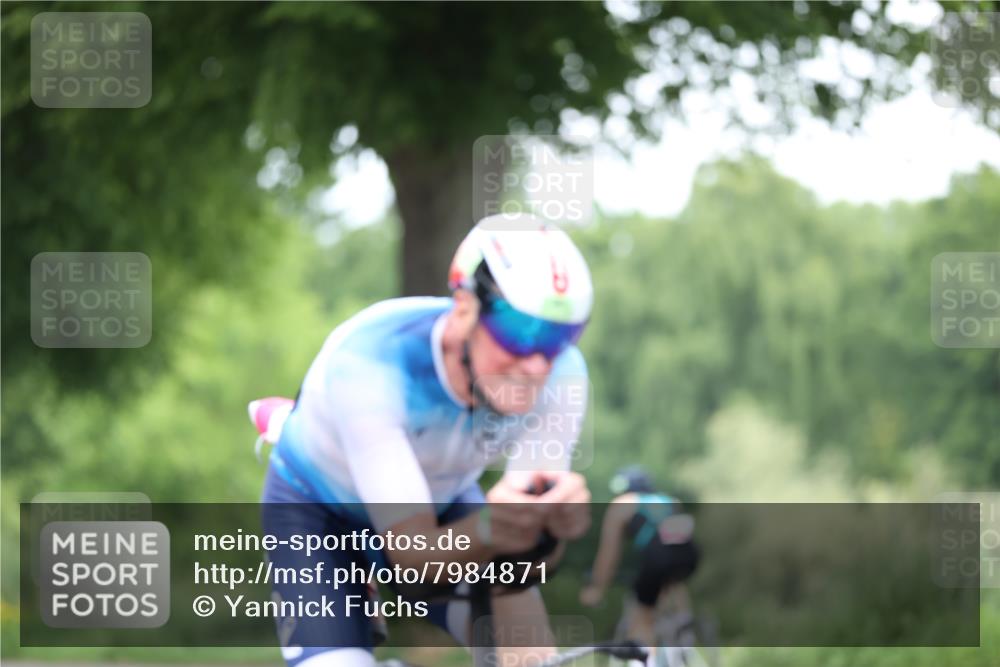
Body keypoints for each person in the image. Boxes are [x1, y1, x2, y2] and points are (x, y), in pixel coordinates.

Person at [254, 213, 594, 667]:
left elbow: (519, 565)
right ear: (464, 308)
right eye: (520, 332)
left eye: (559, 338)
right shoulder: (372, 364)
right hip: (316, 511)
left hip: (440, 502)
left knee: (529, 655)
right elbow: (413, 559)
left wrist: (544, 531)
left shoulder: (562, 376)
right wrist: (496, 527)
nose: (536, 364)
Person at [579, 466, 700, 654]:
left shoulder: (623, 503)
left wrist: (597, 588)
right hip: (690, 556)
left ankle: (645, 652)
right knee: (671, 583)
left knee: (641, 616)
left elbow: (609, 554)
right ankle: (683, 628)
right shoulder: (668, 500)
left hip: (657, 558)